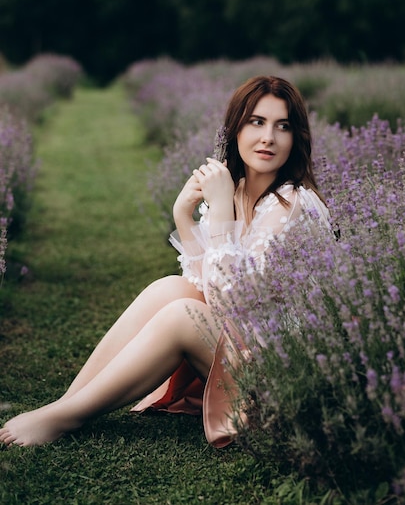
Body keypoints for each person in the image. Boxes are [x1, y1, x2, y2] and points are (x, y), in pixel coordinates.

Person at [0, 76, 330, 449]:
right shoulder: (234, 189)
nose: (268, 137)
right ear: (236, 128)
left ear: (296, 138)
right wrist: (183, 216)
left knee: (181, 316)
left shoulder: (295, 205)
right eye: (256, 122)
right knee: (169, 289)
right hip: (244, 345)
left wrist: (219, 214)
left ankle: (64, 418)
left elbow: (234, 304)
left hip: (281, 373)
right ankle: (64, 404)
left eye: (282, 126)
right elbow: (203, 283)